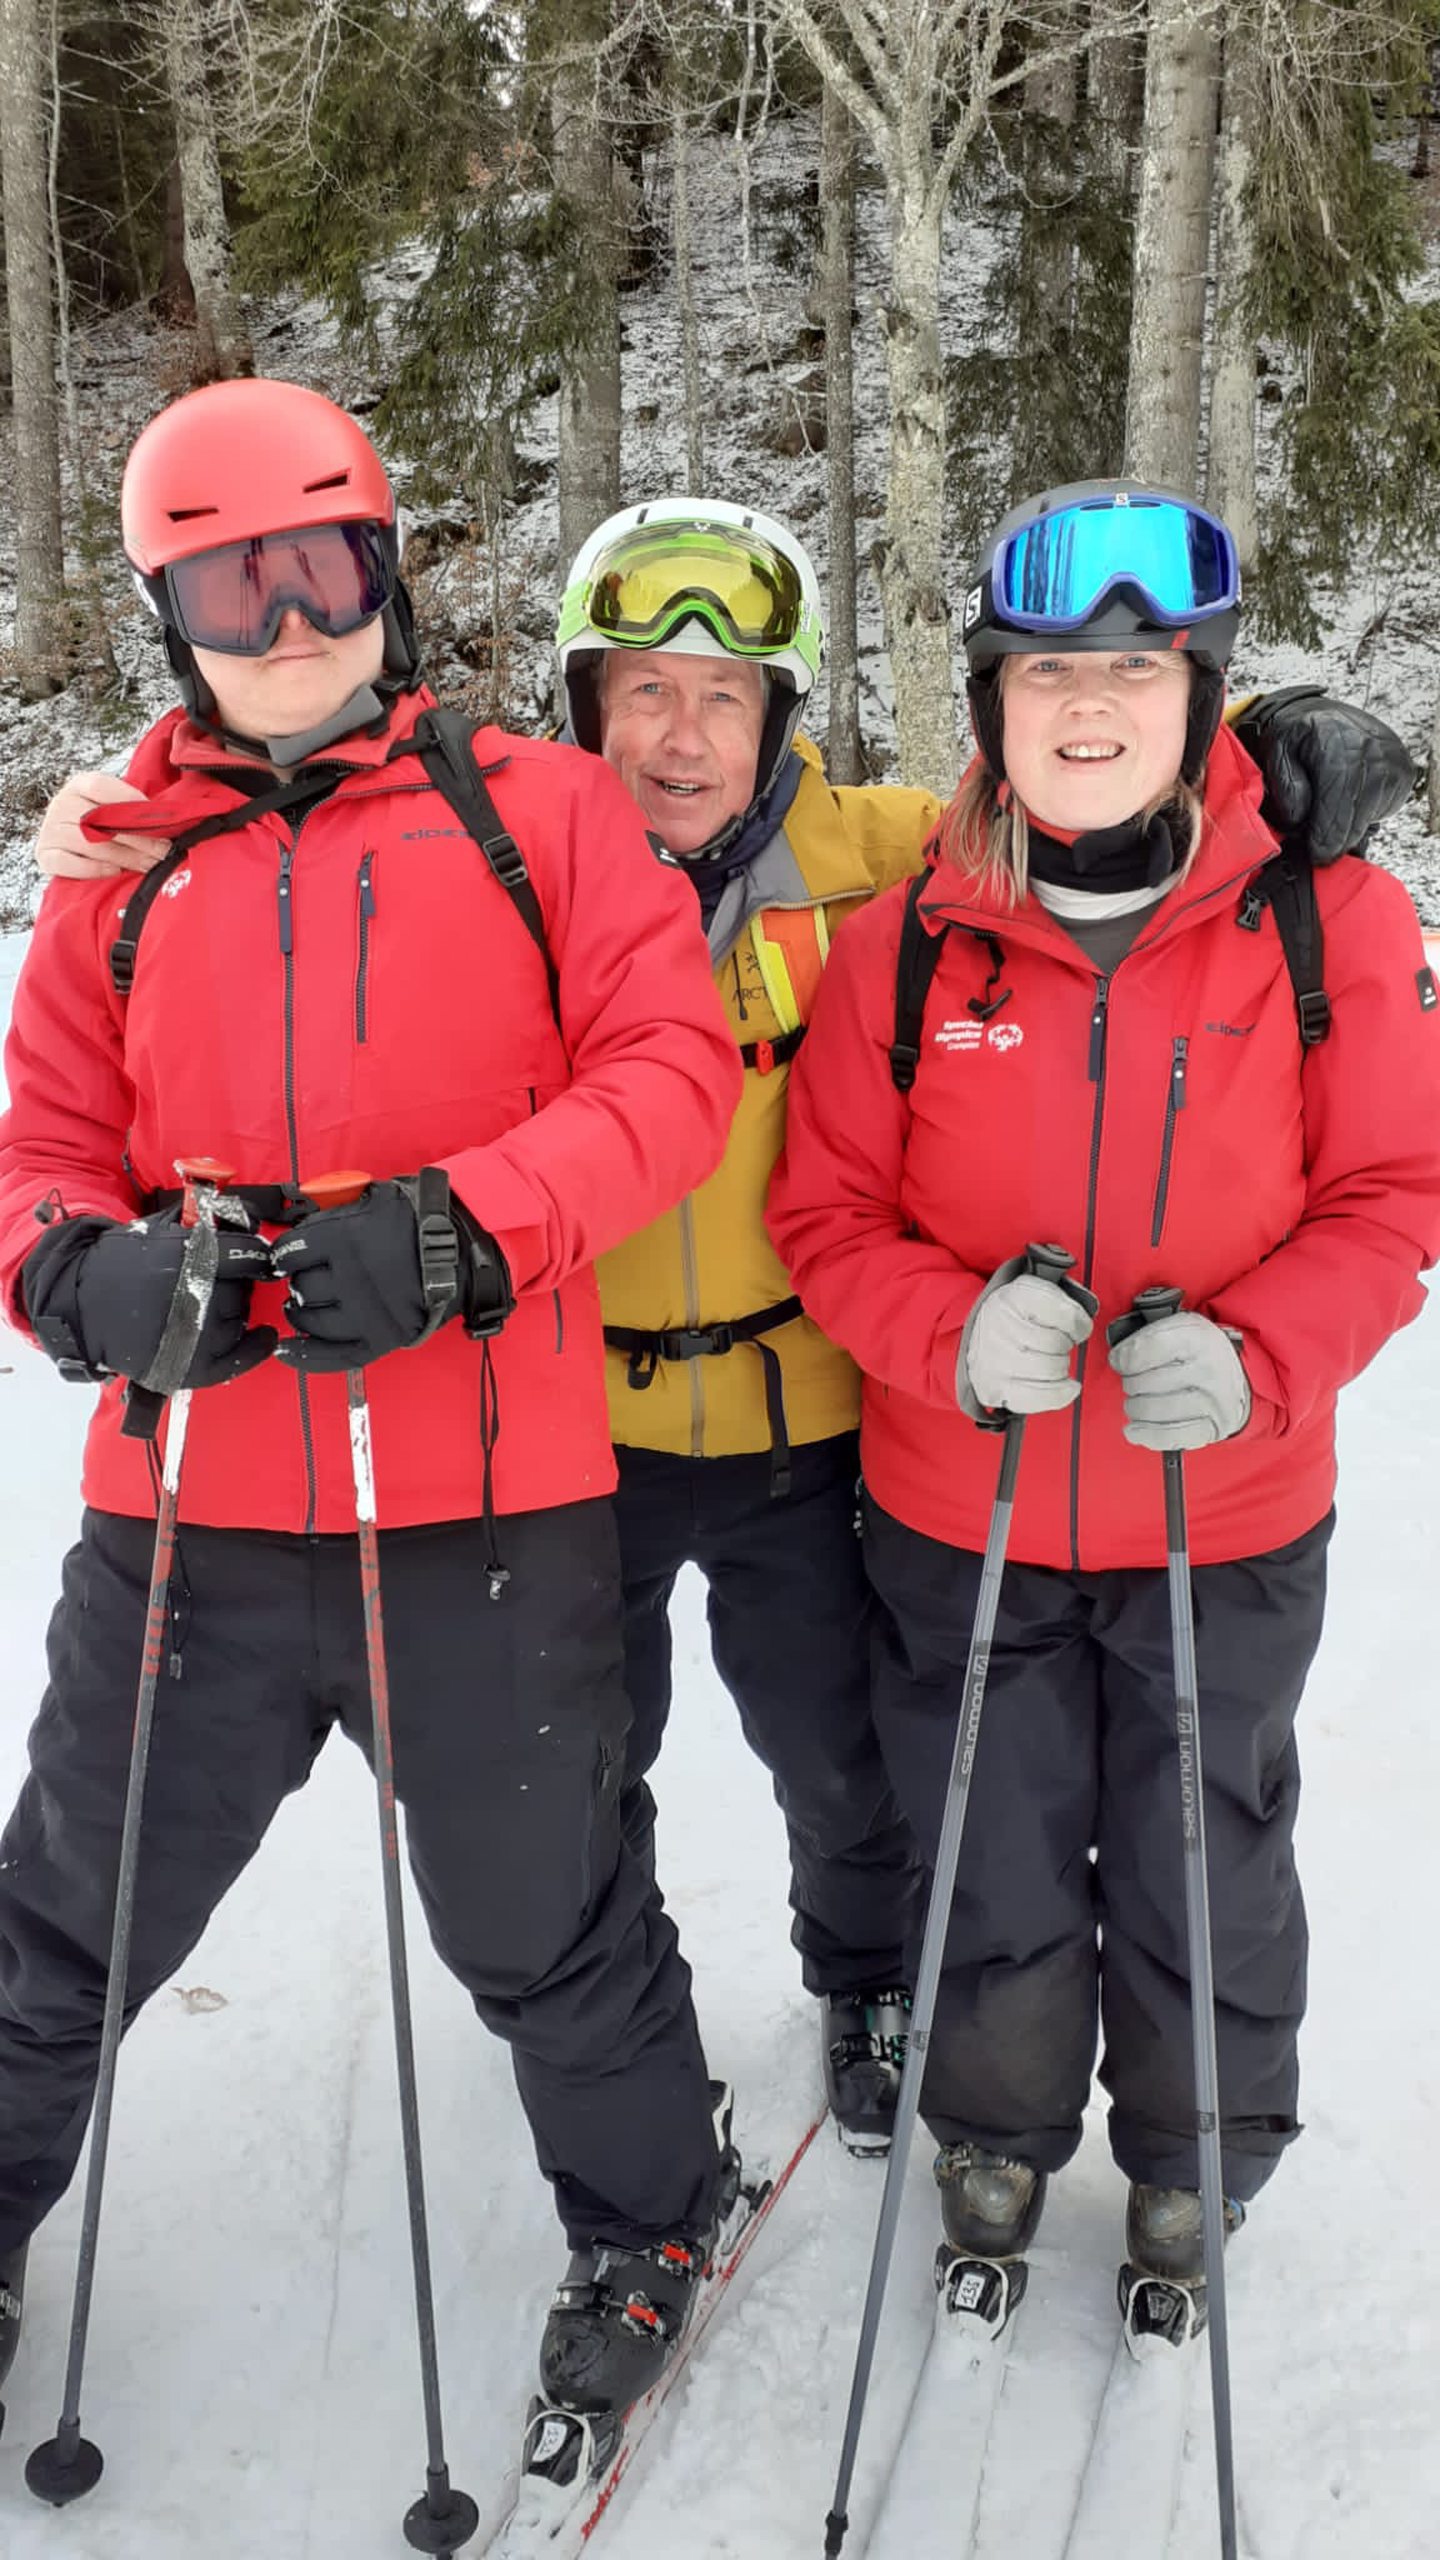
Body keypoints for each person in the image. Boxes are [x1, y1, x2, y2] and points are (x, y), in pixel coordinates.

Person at [34, 489, 1417, 2161]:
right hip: (577, 1432)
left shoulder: (877, 861)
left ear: (783, 716)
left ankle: (869, 1971)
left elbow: (1082, 805)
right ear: (584, 710)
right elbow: (312, 824)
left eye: (728, 698)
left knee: (844, 1756)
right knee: (580, 1760)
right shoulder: (505, 858)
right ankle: (620, 2019)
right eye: (641, 696)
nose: (682, 739)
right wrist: (119, 803)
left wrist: (1274, 745)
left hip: (805, 1417)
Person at [0, 377, 747, 2431]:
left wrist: (468, 1232)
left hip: (487, 1501)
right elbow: (39, 1148)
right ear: (177, 620)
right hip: (194, 1514)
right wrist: (88, 1270)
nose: (287, 618)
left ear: (386, 573)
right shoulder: (120, 863)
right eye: (233, 587)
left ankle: (651, 2206)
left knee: (545, 1905)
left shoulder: (541, 811)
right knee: (71, 1904)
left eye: (319, 563)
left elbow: (667, 1076)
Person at [767, 479, 1440, 2319]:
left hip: (1220, 1512)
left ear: (1202, 698)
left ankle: (1197, 2154)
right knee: (986, 1834)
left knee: (1200, 1843)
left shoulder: (1326, 925)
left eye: (1139, 673)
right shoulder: (911, 942)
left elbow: (1396, 1195)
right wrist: (943, 1332)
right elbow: (822, 1210)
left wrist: (1255, 1351)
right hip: (956, 1511)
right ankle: (995, 2126)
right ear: (989, 700)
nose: (1091, 706)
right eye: (1052, 669)